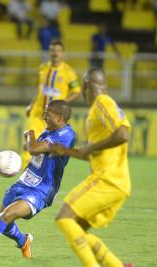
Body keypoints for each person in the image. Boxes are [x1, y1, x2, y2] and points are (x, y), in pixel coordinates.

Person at [0, 100, 76, 263]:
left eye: (48, 114)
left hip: (41, 190)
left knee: (6, 215)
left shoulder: (66, 135)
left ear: (60, 118)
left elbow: (33, 148)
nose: (43, 116)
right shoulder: (50, 130)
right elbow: (37, 154)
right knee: (3, 220)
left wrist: (30, 134)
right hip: (24, 182)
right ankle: (23, 241)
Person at [51, 68, 134, 267]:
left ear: (87, 86)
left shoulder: (102, 103)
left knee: (64, 218)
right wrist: (64, 151)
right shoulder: (98, 111)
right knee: (78, 228)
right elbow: (89, 153)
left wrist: (92, 146)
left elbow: (123, 134)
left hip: (107, 180)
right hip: (118, 183)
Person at [23, 40, 80, 169]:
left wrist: (64, 103)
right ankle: (25, 171)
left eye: (58, 51)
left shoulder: (69, 72)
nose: (55, 53)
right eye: (53, 50)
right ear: (50, 52)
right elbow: (39, 90)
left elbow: (77, 92)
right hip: (38, 112)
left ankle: (39, 171)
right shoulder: (42, 68)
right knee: (31, 140)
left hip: (54, 116)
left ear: (62, 53)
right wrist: (31, 105)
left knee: (44, 146)